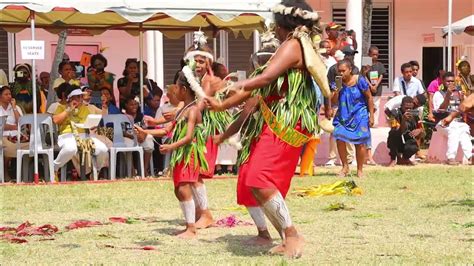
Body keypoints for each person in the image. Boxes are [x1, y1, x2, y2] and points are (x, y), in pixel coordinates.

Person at [205, 0, 327, 257]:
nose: (274, 28)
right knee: (254, 181)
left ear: (284, 23)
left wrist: (226, 87)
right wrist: (221, 105)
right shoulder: (292, 46)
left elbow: (265, 78)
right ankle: (285, 236)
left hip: (284, 124)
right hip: (280, 124)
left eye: (275, 23)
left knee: (259, 180)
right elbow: (255, 92)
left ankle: (292, 235)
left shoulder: (294, 45)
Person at [138, 71, 207, 238]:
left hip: (188, 153)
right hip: (180, 152)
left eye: (176, 87)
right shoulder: (182, 109)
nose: (173, 90)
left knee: (183, 188)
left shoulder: (192, 110)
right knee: (178, 189)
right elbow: (167, 129)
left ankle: (191, 228)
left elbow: (189, 136)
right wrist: (145, 131)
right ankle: (188, 225)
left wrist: (171, 147)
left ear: (183, 89)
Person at [182, 30, 232, 230]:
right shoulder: (192, 80)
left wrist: (182, 116)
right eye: (195, 61)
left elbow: (200, 105)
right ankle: (199, 212)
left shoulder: (210, 82)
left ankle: (206, 213)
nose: (198, 65)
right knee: (193, 171)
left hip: (205, 128)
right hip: (196, 125)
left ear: (208, 63)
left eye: (202, 61)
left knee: (196, 172)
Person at [331, 59, 374, 177]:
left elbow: (369, 97)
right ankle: (345, 167)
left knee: (360, 143)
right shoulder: (337, 83)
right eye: (339, 71)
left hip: (360, 114)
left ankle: (360, 170)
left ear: (350, 70)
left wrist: (372, 116)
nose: (341, 73)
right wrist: (336, 92)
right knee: (339, 138)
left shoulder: (360, 80)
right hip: (343, 115)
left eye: (343, 71)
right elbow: (333, 102)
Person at [52, 84, 109, 174]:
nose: (81, 99)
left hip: (84, 136)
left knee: (102, 149)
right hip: (67, 136)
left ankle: (96, 171)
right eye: (78, 97)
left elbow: (90, 123)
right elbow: (55, 120)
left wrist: (93, 123)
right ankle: (54, 168)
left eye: (81, 96)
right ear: (70, 98)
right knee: (71, 148)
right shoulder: (61, 107)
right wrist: (69, 109)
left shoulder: (84, 108)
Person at [433, 72, 472, 165]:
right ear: (442, 82)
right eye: (448, 81)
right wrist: (447, 96)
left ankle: (470, 156)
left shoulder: (459, 93)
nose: (450, 83)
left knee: (464, 132)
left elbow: (465, 109)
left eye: (452, 81)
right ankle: (450, 158)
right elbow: (440, 110)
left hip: (458, 122)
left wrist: (463, 99)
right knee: (454, 130)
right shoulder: (438, 94)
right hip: (443, 122)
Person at [0, 86, 28, 181]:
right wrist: (12, 127)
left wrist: (14, 108)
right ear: (0, 96)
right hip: (3, 136)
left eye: (10, 94)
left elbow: (21, 122)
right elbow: (1, 125)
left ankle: (24, 173)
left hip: (16, 136)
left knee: (31, 146)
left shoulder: (15, 107)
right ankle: (5, 171)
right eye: (6, 94)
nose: (9, 96)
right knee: (8, 147)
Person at [386, 96, 424, 166]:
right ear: (401, 106)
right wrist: (403, 120)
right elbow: (396, 130)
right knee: (393, 133)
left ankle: (404, 159)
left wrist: (419, 130)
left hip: (408, 139)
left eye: (410, 108)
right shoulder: (393, 113)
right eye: (406, 108)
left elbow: (422, 130)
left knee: (414, 146)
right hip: (397, 140)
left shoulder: (415, 114)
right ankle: (393, 159)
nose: (408, 110)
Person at [122, 96, 154, 175]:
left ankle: (144, 169)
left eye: (135, 104)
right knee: (126, 144)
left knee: (149, 140)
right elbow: (122, 132)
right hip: (129, 137)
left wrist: (142, 135)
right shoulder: (123, 116)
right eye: (131, 105)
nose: (134, 107)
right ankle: (132, 171)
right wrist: (133, 136)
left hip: (140, 137)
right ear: (126, 105)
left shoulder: (140, 116)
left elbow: (145, 129)